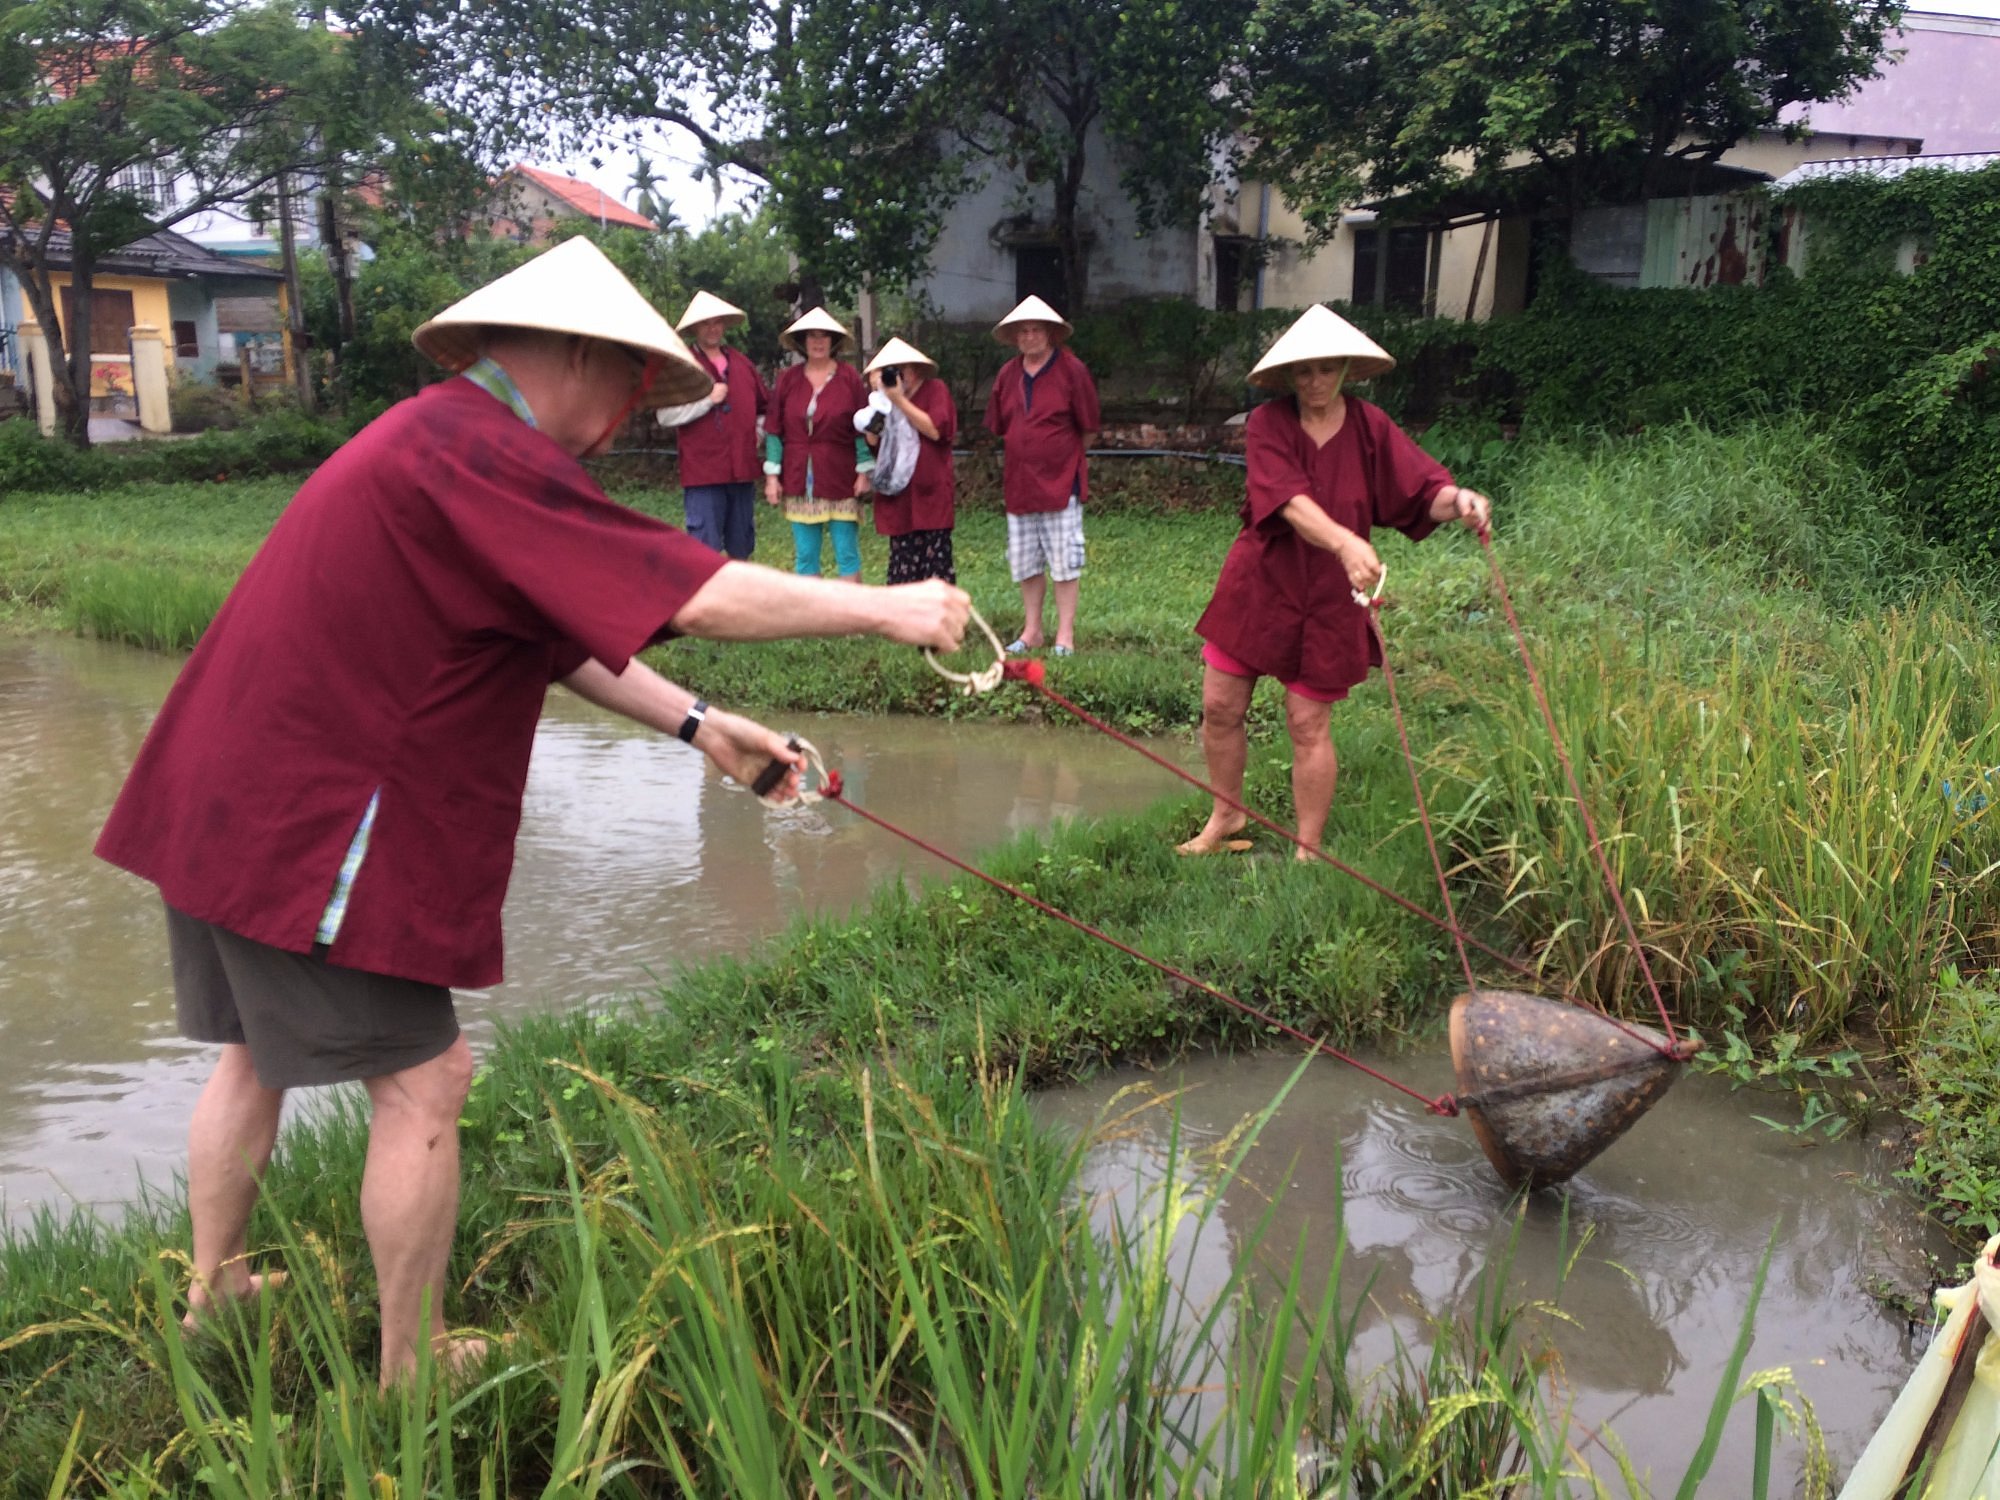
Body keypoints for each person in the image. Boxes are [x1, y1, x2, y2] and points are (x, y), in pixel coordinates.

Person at [92, 238, 972, 1388]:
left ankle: (215, 1294)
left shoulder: (438, 437)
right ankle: (411, 1369)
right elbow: (689, 590)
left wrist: (701, 725)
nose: (618, 428)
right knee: (426, 1082)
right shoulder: (479, 451)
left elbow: (552, 633)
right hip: (316, 819)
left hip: (221, 791)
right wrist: (888, 607)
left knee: (252, 1054)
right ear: (574, 353)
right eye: (628, 392)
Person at [1179, 303, 1491, 858]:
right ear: (1288, 376)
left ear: (1346, 368)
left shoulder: (1371, 427)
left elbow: (1423, 490)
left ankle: (1309, 848)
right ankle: (1225, 815)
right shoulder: (1268, 424)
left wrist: (1460, 501)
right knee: (1220, 705)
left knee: (1307, 722)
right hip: (1261, 581)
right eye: (1304, 371)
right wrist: (1347, 542)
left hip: (1330, 594)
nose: (1316, 381)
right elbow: (1288, 500)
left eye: (1327, 368)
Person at [983, 295, 1099, 658]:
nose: (1030, 337)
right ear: (1015, 336)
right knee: (1025, 561)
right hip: (1019, 483)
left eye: (1036, 330)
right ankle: (1032, 630)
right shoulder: (1007, 375)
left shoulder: (1072, 370)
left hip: (1061, 482)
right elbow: (999, 425)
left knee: (1065, 561)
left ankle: (1065, 635)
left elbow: (1089, 427)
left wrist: (1064, 457)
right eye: (1023, 331)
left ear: (1050, 334)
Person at [657, 289, 769, 560]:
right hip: (703, 472)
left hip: (741, 469)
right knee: (704, 550)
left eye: (717, 322)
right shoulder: (684, 366)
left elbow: (765, 409)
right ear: (695, 328)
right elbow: (665, 416)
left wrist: (758, 433)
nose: (712, 328)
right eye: (705, 323)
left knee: (741, 547)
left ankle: (739, 590)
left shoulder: (742, 364)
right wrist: (707, 400)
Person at [764, 307, 873, 582]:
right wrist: (772, 477)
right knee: (806, 555)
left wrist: (864, 471)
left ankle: (851, 608)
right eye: (812, 336)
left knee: (847, 552)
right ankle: (812, 608)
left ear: (833, 341)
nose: (818, 342)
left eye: (824, 336)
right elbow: (774, 429)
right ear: (803, 341)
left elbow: (862, 427)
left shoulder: (849, 378)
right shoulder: (788, 379)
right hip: (799, 476)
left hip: (841, 475)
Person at [860, 336, 958, 583]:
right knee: (902, 573)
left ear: (914, 370)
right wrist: (880, 402)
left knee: (936, 573)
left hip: (931, 496)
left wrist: (899, 400)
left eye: (899, 370)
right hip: (899, 497)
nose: (896, 376)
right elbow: (874, 443)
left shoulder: (935, 390)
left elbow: (935, 430)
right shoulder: (883, 402)